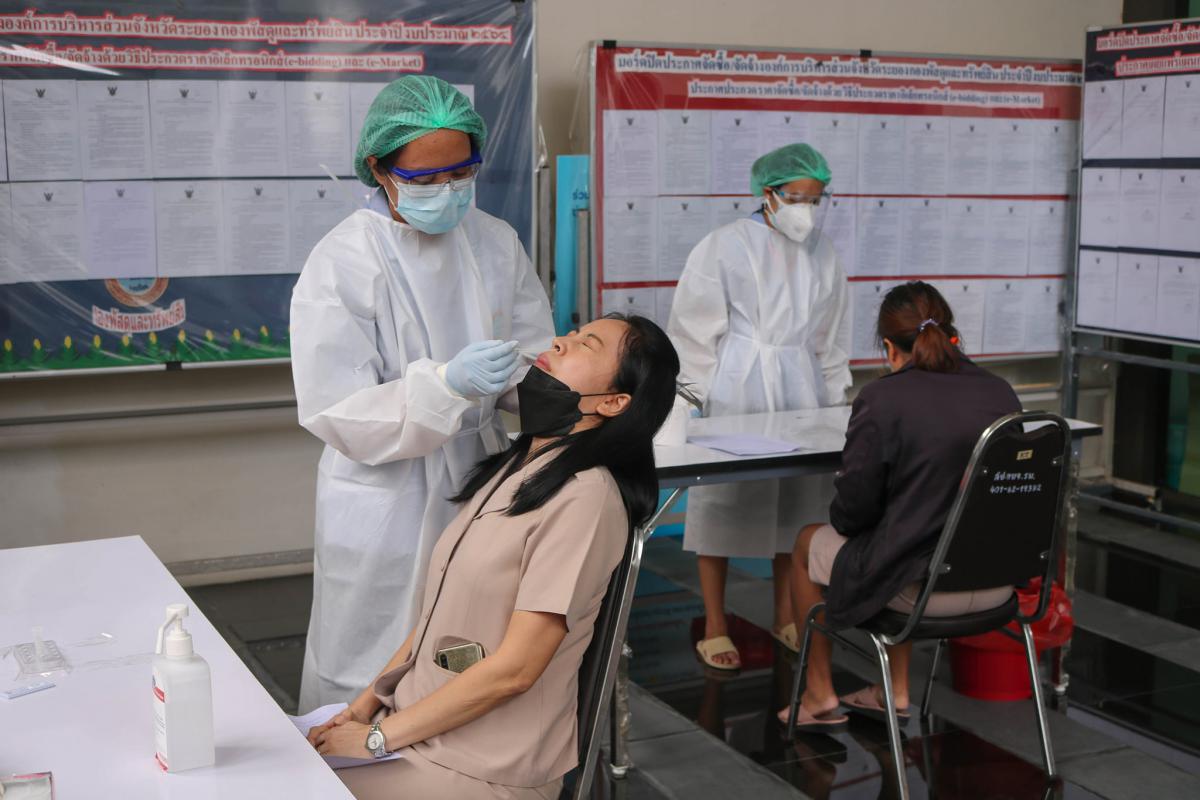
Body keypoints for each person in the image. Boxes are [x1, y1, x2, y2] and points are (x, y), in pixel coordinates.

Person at [304, 315, 680, 799]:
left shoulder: (585, 497)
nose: (560, 342)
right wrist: (361, 710)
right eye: (570, 333)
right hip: (419, 732)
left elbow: (516, 670)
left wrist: (377, 739)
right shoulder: (517, 467)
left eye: (586, 344)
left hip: (483, 765)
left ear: (612, 402)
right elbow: (435, 621)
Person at [290, 75, 554, 712]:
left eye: (461, 173)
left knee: (471, 648)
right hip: (387, 493)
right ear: (380, 170)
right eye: (426, 179)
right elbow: (337, 409)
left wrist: (539, 389)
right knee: (370, 653)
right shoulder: (344, 260)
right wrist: (444, 387)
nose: (448, 191)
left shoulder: (494, 241)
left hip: (482, 472)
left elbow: (531, 355)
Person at [781, 281, 1020, 732]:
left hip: (922, 593)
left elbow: (851, 515)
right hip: (998, 582)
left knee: (808, 544)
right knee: (909, 534)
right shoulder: (1000, 393)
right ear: (951, 334)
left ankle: (818, 692)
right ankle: (893, 688)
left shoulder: (883, 399)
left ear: (889, 348)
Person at [668, 143, 850, 671]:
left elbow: (831, 334)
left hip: (802, 388)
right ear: (767, 193)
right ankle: (715, 623)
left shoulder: (823, 252)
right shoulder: (724, 245)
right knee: (722, 505)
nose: (805, 210)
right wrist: (688, 398)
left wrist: (836, 399)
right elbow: (694, 330)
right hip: (737, 385)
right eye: (796, 198)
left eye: (815, 200)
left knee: (796, 507)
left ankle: (786, 614)